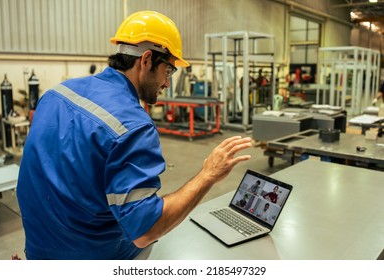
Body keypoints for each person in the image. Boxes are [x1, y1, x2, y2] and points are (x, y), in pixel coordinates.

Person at [16, 11, 253, 260]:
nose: (167, 84)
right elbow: (144, 231)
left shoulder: (57, 93)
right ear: (147, 60)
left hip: (38, 248)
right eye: (169, 71)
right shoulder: (133, 125)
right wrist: (208, 175)